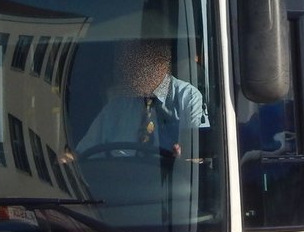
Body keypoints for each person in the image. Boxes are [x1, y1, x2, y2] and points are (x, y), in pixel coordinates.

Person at [75, 38, 208, 158]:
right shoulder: (116, 108)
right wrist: (70, 159)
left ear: (156, 59)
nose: (122, 66)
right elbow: (83, 153)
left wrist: (182, 157)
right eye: (122, 59)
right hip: (118, 182)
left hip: (168, 182)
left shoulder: (187, 97)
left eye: (130, 58)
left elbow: (194, 154)